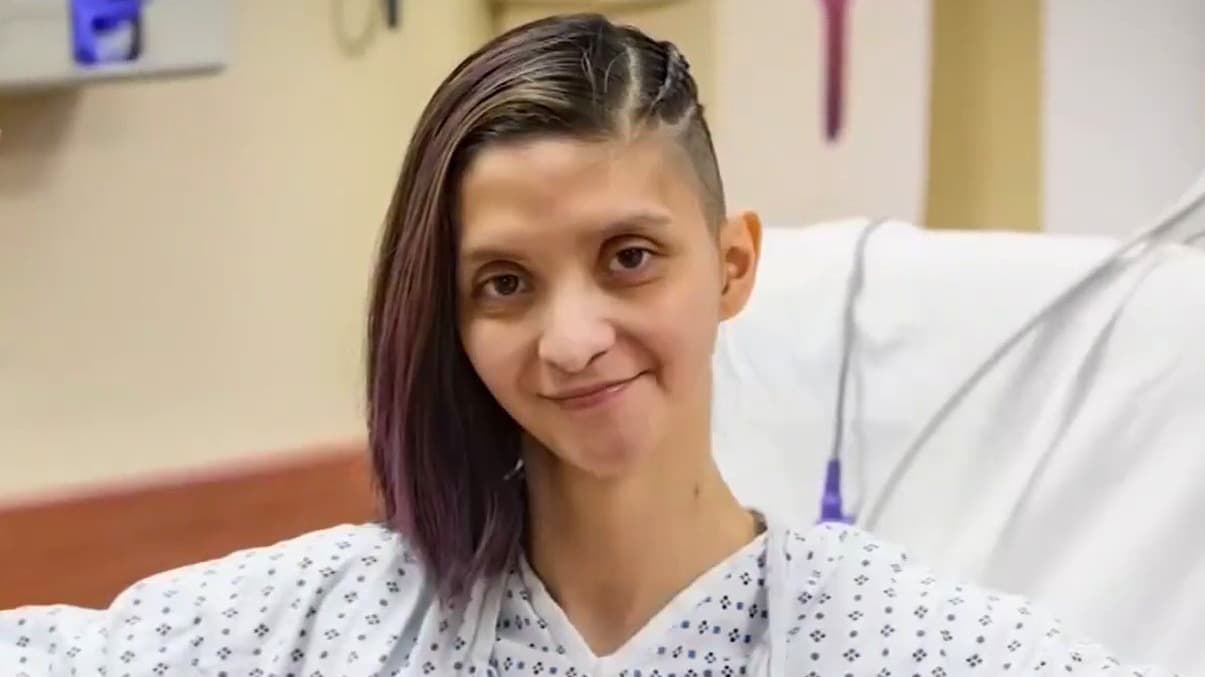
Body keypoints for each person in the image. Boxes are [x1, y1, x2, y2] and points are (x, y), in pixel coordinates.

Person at [0, 13, 1183, 677]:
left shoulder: (904, 645)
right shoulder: (332, 624)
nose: (570, 339)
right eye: (504, 283)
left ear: (732, 265)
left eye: (628, 256)